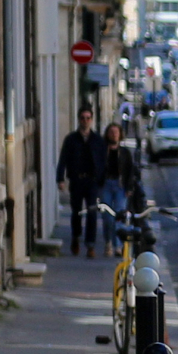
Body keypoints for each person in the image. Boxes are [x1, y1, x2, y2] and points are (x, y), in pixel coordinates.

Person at [57, 106, 106, 257]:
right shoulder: (71, 139)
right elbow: (63, 159)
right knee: (76, 212)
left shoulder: (98, 140)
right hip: (77, 180)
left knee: (92, 212)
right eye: (83, 118)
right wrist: (60, 178)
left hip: (92, 181)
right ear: (79, 120)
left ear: (91, 120)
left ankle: (90, 245)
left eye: (88, 118)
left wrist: (101, 180)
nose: (85, 121)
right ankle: (76, 237)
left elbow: (104, 161)